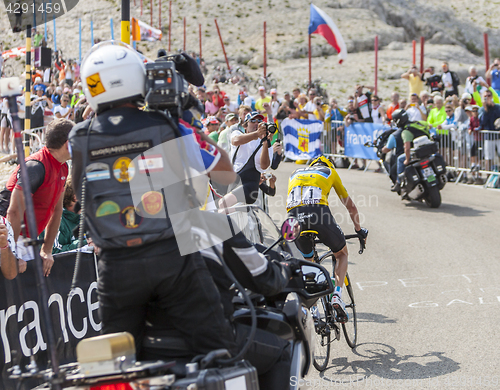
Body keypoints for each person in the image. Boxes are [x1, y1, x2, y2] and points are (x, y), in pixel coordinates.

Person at [69, 41, 237, 358]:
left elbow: (80, 195)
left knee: (116, 365)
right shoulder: (166, 125)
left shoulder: (79, 136)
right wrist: (183, 119)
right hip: (172, 258)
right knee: (218, 351)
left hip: (115, 268)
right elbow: (223, 172)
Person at [286, 156, 368, 322]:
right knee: (341, 254)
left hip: (293, 219)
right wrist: (358, 230)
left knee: (309, 262)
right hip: (319, 215)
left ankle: (314, 309)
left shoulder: (294, 173)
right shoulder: (329, 171)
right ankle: (337, 295)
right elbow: (351, 206)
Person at [1, 119, 72, 275]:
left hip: (27, 238)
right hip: (9, 234)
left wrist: (47, 250)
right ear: (68, 144)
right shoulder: (36, 166)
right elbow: (13, 212)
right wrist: (11, 253)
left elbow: (57, 209)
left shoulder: (63, 167)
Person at [220, 111, 273, 206]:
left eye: (259, 121)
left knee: (223, 204)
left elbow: (264, 166)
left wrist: (265, 142)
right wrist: (257, 134)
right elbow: (235, 141)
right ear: (245, 125)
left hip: (250, 186)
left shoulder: (266, 144)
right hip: (234, 183)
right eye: (253, 120)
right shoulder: (237, 133)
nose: (257, 123)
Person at [38, 177, 91, 254]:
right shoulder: (55, 219)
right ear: (76, 196)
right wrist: (85, 242)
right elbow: (53, 252)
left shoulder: (86, 218)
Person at [391, 109, 432, 193]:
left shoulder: (406, 131)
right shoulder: (419, 123)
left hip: (418, 153)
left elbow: (407, 148)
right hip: (429, 150)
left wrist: (407, 159)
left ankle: (398, 182)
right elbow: (430, 127)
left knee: (400, 159)